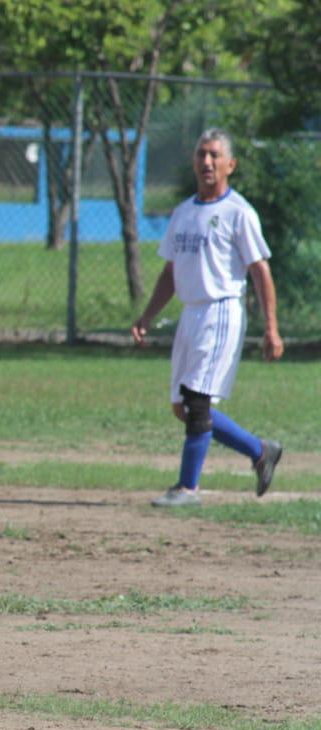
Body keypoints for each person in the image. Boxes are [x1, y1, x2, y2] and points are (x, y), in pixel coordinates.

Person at [132, 128, 284, 508]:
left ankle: (187, 489)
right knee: (183, 408)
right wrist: (148, 316)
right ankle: (259, 449)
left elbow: (260, 270)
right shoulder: (184, 213)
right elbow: (170, 272)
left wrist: (271, 328)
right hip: (190, 314)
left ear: (230, 165)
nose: (207, 162)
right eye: (201, 154)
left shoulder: (238, 213)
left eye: (215, 155)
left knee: (197, 400)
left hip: (220, 310)